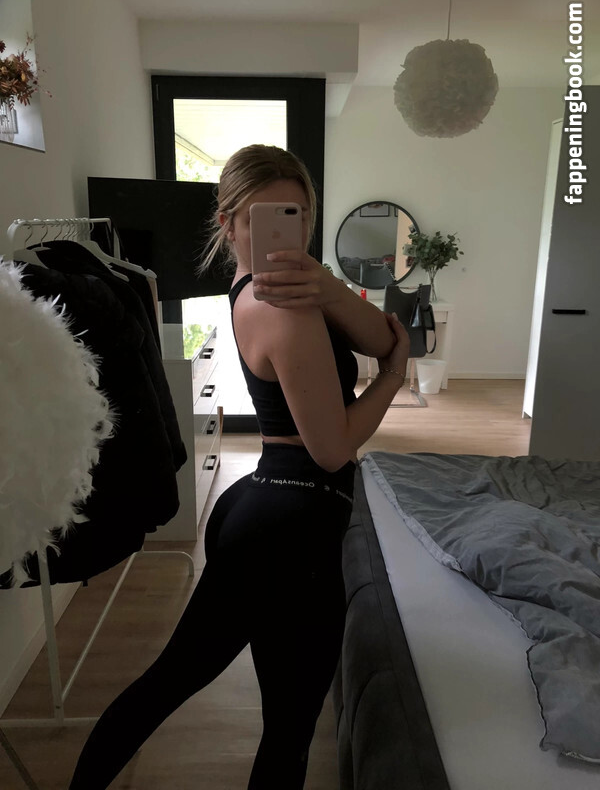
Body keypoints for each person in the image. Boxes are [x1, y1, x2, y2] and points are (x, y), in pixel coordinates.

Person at [68, 144, 409, 790]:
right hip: (292, 528)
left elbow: (384, 335)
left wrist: (331, 288)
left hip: (265, 508)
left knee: (172, 684)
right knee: (279, 726)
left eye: (296, 215)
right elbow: (334, 446)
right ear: (227, 225)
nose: (286, 232)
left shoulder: (269, 289)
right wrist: (391, 381)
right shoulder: (284, 306)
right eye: (261, 219)